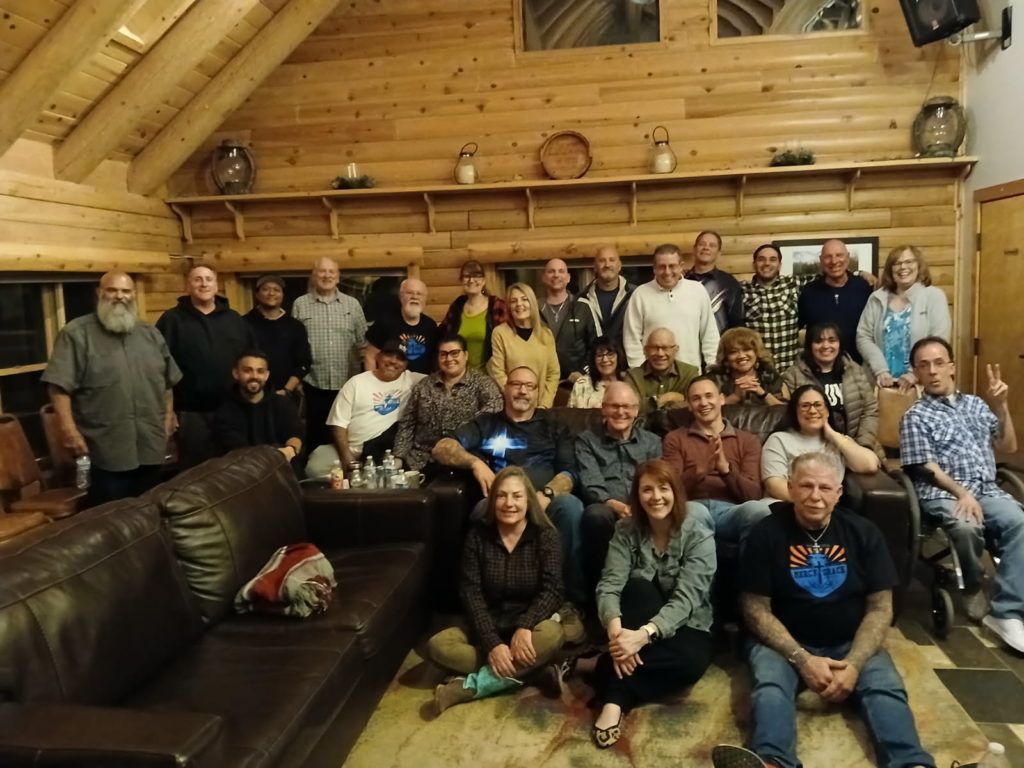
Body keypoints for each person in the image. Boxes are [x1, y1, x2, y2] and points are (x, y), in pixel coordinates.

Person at [713, 451, 936, 768]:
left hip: (849, 639)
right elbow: (754, 608)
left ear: (839, 493)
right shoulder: (765, 533)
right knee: (770, 689)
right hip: (784, 641)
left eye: (824, 488)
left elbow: (880, 608)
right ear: (790, 488)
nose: (815, 496)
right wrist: (801, 659)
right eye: (805, 486)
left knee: (885, 688)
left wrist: (855, 663)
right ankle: (773, 761)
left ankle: (911, 763)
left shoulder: (864, 533)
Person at [900, 337, 1024, 650]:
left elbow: (1008, 446)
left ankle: (1007, 612)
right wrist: (961, 493)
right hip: (943, 491)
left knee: (1020, 523)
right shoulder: (916, 416)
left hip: (986, 488)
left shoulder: (978, 405)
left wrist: (1002, 407)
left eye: (939, 362)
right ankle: (971, 585)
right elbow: (925, 468)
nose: (933, 371)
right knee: (966, 525)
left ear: (952, 367)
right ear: (916, 373)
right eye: (924, 365)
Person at [431, 366, 588, 613]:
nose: (522, 391)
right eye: (516, 384)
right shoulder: (487, 424)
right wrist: (475, 463)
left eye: (530, 386)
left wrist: (546, 495)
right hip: (501, 501)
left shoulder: (554, 424)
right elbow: (442, 447)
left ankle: (570, 602)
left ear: (538, 392)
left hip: (544, 498)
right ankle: (488, 604)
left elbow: (569, 474)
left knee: (571, 507)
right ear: (505, 388)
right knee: (482, 510)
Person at [591, 459, 716, 749]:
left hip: (688, 619)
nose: (656, 497)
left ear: (676, 492)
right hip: (638, 614)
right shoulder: (625, 530)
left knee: (691, 665)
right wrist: (617, 635)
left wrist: (640, 637)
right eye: (647, 490)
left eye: (664, 488)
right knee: (636, 588)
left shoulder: (699, 535)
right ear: (637, 495)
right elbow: (610, 585)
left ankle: (605, 670)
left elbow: (687, 600)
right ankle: (615, 699)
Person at [428, 466, 566, 713]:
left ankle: (471, 686)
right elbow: (471, 594)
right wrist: (492, 643)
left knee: (554, 634)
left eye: (517, 496)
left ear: (528, 501)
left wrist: (525, 625)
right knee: (438, 645)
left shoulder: (546, 535)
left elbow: (553, 590)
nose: (509, 503)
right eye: (501, 496)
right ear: (492, 501)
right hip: (487, 626)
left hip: (530, 629)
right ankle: (534, 672)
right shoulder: (477, 536)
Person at [42, 271, 180, 504]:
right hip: (104, 447)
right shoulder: (76, 334)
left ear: (133, 295)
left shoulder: (151, 334)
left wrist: (168, 416)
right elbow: (58, 387)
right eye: (112, 290)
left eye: (126, 291)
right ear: (99, 293)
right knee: (111, 518)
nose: (119, 296)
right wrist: (68, 430)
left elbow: (167, 382)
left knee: (149, 510)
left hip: (150, 442)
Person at [156, 265, 255, 468]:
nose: (204, 284)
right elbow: (160, 367)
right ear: (188, 286)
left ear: (216, 284)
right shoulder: (172, 320)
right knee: (195, 471)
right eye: (197, 279)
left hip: (233, 409)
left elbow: (251, 358)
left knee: (234, 468)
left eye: (208, 279)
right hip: (191, 414)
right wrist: (168, 410)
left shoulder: (234, 320)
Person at [663, 376, 770, 546]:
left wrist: (725, 470)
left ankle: (749, 573)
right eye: (696, 399)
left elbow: (753, 495)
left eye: (709, 396)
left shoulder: (748, 440)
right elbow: (669, 491)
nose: (703, 403)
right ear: (689, 406)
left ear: (721, 399)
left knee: (760, 510)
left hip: (732, 511)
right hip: (693, 507)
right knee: (692, 512)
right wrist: (699, 470)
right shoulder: (675, 439)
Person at [576, 383, 662, 592]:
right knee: (595, 514)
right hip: (607, 509)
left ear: (636, 411)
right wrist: (616, 506)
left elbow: (657, 480)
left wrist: (639, 508)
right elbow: (591, 482)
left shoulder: (652, 442)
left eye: (626, 407)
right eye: (614, 406)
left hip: (644, 506)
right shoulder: (587, 441)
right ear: (603, 408)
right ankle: (601, 590)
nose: (620, 412)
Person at [305, 340, 425, 477]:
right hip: (351, 448)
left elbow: (443, 378)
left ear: (406, 365)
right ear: (378, 357)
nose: (393, 361)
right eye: (389, 355)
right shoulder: (356, 383)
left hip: (385, 452)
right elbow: (337, 424)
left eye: (400, 358)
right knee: (314, 467)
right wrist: (347, 457)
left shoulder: (412, 380)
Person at [393, 334, 502, 473]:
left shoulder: (483, 383)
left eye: (454, 353)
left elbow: (494, 412)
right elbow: (407, 423)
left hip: (463, 460)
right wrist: (399, 457)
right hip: (420, 461)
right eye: (443, 354)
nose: (449, 359)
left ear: (466, 355)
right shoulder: (424, 385)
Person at [292, 257, 369, 451]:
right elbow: (294, 344)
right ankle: (317, 479)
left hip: (348, 385)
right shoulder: (300, 304)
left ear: (338, 276)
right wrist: (298, 379)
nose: (327, 276)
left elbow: (363, 344)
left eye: (331, 272)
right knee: (316, 438)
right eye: (322, 271)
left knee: (347, 436)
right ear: (314, 275)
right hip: (313, 384)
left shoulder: (352, 305)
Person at [761, 384, 880, 501]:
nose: (812, 410)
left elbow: (870, 464)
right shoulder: (779, 440)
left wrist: (832, 435)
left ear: (828, 411)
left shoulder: (839, 441)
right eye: (805, 406)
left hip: (827, 510)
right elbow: (774, 485)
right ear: (795, 412)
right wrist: (811, 504)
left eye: (818, 405)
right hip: (785, 506)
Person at [857, 245, 951, 390]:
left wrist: (915, 373)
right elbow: (863, 336)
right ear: (890, 269)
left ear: (919, 265)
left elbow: (939, 341)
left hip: (920, 384)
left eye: (909, 262)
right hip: (880, 383)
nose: (903, 267)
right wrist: (880, 370)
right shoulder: (876, 298)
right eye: (897, 263)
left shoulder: (933, 296)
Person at [782, 322, 879, 453]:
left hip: (858, 446)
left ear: (840, 344)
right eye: (818, 341)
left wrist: (862, 446)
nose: (826, 346)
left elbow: (870, 410)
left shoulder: (855, 370)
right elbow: (787, 415)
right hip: (812, 450)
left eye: (832, 340)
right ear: (809, 345)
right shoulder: (793, 375)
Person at [622, 243, 719, 370]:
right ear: (654, 269)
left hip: (690, 374)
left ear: (681, 266)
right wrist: (640, 372)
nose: (667, 272)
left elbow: (709, 334)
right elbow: (631, 339)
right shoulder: (640, 294)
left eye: (672, 266)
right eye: (662, 267)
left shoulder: (697, 291)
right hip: (653, 376)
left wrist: (713, 367)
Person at [214, 350, 303, 466]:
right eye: (247, 370)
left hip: (281, 466)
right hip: (243, 470)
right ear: (236, 373)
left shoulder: (282, 403)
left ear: (266, 376)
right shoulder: (225, 410)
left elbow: (295, 435)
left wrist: (290, 449)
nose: (254, 376)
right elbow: (236, 451)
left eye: (260, 371)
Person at [797, 239, 873, 363]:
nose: (834, 261)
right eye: (828, 257)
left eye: (839, 255)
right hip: (818, 369)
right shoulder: (809, 292)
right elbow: (796, 325)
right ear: (821, 261)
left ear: (848, 258)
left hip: (858, 367)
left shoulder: (864, 287)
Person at [742, 244, 812, 373]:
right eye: (761, 259)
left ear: (779, 265)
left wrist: (859, 274)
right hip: (757, 373)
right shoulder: (741, 290)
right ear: (754, 264)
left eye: (772, 259)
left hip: (791, 372)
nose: (767, 263)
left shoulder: (793, 284)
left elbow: (826, 277)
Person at [488, 283, 560, 408]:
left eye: (524, 299)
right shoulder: (500, 333)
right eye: (513, 301)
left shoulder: (546, 334)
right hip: (512, 406)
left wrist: (544, 405)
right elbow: (498, 372)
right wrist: (516, 399)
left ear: (532, 303)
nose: (519, 304)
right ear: (509, 307)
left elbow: (553, 374)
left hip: (540, 408)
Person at [243, 275, 311, 397]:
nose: (271, 293)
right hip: (250, 393)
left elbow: (303, 362)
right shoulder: (243, 323)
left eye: (276, 289)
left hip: (286, 394)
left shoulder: (295, 326)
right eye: (266, 289)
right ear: (257, 294)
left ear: (282, 295)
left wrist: (286, 390)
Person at [439, 259, 507, 371]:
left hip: (490, 376)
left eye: (476, 276)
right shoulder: (457, 306)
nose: (471, 280)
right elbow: (443, 336)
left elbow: (507, 341)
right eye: (466, 276)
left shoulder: (497, 305)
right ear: (461, 280)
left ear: (484, 281)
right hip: (459, 377)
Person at [539, 258, 597, 384]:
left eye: (561, 271)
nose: (556, 275)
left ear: (568, 277)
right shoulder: (534, 308)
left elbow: (596, 345)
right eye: (551, 271)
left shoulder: (583, 306)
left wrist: (582, 372)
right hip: (542, 381)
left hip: (576, 381)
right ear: (543, 277)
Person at [366, 277, 438, 375]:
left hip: (421, 385)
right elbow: (370, 356)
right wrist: (371, 385)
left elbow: (435, 359)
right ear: (401, 296)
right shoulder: (384, 322)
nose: (414, 297)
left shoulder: (431, 325)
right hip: (389, 385)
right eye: (409, 293)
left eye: (419, 294)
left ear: (425, 299)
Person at [624, 327, 699, 416]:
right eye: (654, 348)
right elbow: (629, 408)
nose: (660, 353)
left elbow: (695, 406)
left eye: (665, 348)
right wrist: (662, 399)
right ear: (645, 351)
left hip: (682, 428)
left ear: (676, 350)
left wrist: (647, 405)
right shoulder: (633, 376)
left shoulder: (689, 373)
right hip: (642, 428)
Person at [684, 230, 744, 333]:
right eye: (702, 244)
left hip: (720, 346)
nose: (706, 248)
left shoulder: (729, 283)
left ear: (719, 253)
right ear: (694, 250)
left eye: (712, 245)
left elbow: (737, 323)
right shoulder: (682, 280)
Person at [578, 245, 636, 349]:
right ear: (595, 267)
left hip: (629, 362)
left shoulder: (635, 295)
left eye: (612, 260)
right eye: (602, 260)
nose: (607, 264)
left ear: (619, 265)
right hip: (594, 362)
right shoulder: (582, 299)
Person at [710, 327, 786, 406]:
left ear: (757, 352)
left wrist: (762, 393)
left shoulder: (770, 376)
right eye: (733, 352)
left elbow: (785, 411)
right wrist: (735, 397)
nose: (741, 356)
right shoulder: (714, 380)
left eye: (747, 349)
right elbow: (706, 409)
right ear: (725, 357)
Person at [568, 335, 626, 409]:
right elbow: (570, 417)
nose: (605, 359)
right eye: (599, 355)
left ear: (618, 356)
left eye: (610, 354)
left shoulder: (629, 382)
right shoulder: (582, 384)